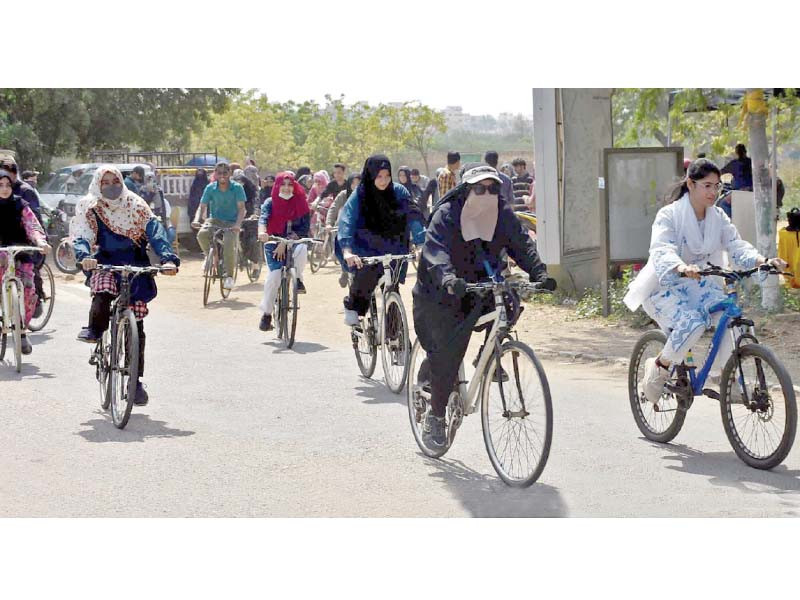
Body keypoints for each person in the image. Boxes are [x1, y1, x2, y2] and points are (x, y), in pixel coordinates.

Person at [412, 164, 552, 448]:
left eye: (493, 188)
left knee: (510, 303)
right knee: (447, 356)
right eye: (479, 188)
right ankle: (436, 417)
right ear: (466, 189)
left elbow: (521, 243)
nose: (487, 193)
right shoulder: (448, 214)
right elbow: (435, 250)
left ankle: (486, 357)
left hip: (483, 284)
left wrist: (540, 272)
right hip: (442, 291)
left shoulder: (501, 212)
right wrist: (448, 278)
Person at [623, 159, 785, 405]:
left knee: (732, 320)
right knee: (694, 322)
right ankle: (659, 367)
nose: (713, 192)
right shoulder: (669, 215)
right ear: (690, 184)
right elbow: (661, 248)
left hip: (701, 285)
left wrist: (762, 260)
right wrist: (681, 266)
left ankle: (729, 381)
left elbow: (736, 245)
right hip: (665, 286)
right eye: (707, 185)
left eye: (717, 186)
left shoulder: (718, 217)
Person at [71, 165, 179, 405]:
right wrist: (83, 256)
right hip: (104, 262)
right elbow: (82, 236)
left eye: (115, 181)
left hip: (135, 264)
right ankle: (94, 330)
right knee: (102, 291)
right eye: (106, 182)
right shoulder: (90, 206)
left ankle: (135, 382)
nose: (111, 186)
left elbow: (155, 231)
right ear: (98, 184)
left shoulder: (136, 204)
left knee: (137, 326)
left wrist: (168, 258)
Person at [337, 154, 426, 326]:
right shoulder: (361, 194)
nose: (384, 181)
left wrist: (421, 242)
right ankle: (353, 306)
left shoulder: (399, 192)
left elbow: (413, 216)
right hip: (365, 245)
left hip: (394, 244)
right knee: (367, 275)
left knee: (392, 286)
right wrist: (347, 250)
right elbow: (347, 220)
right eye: (379, 176)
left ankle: (396, 339)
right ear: (370, 175)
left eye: (387, 176)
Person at [0, 169, 50, 355]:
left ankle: (21, 332)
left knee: (28, 290)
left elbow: (32, 225)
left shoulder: (21, 204)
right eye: (0, 185)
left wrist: (40, 241)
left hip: (20, 252)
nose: (4, 189)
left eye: (7, 185)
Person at [256, 172, 311, 331]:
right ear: (277, 186)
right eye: (283, 184)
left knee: (302, 248)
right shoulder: (270, 202)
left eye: (290, 184)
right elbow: (263, 220)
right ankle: (266, 314)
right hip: (273, 243)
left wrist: (287, 241)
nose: (287, 188)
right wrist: (262, 232)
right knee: (274, 276)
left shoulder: (301, 202)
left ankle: (298, 279)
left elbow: (304, 228)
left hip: (294, 241)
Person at [193, 162, 247, 291]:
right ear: (215, 174)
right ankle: (210, 256)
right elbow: (202, 207)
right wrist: (196, 219)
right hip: (214, 220)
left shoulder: (237, 188)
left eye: (225, 172)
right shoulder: (210, 188)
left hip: (231, 222)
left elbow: (242, 209)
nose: (222, 175)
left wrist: (237, 225)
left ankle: (229, 276)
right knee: (202, 234)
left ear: (229, 174)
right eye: (219, 172)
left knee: (229, 243)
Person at [327, 173, 361, 287]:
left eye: (359, 183)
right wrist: (328, 223)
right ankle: (345, 270)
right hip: (344, 228)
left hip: (361, 230)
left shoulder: (367, 196)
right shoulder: (343, 195)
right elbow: (333, 208)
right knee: (344, 251)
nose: (356, 186)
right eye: (353, 183)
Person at [141, 175, 176, 247]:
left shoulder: (164, 202)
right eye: (148, 181)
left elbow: (166, 218)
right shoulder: (143, 200)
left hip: (163, 222)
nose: (151, 184)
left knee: (171, 234)